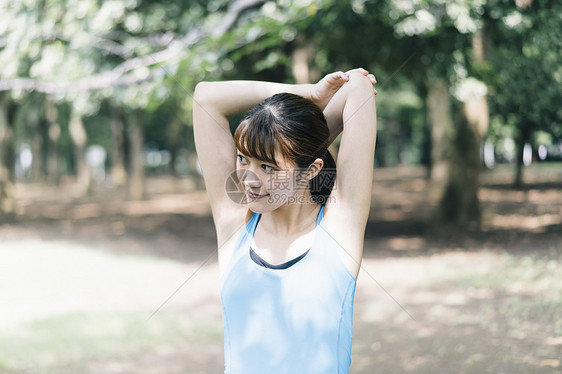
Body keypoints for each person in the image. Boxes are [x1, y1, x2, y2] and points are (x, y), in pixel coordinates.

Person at [193, 68, 377, 374]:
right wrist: (310, 95)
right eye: (243, 159)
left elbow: (357, 87)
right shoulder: (235, 225)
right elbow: (205, 97)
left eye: (266, 166)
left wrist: (296, 146)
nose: (249, 180)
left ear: (312, 169)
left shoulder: (339, 228)